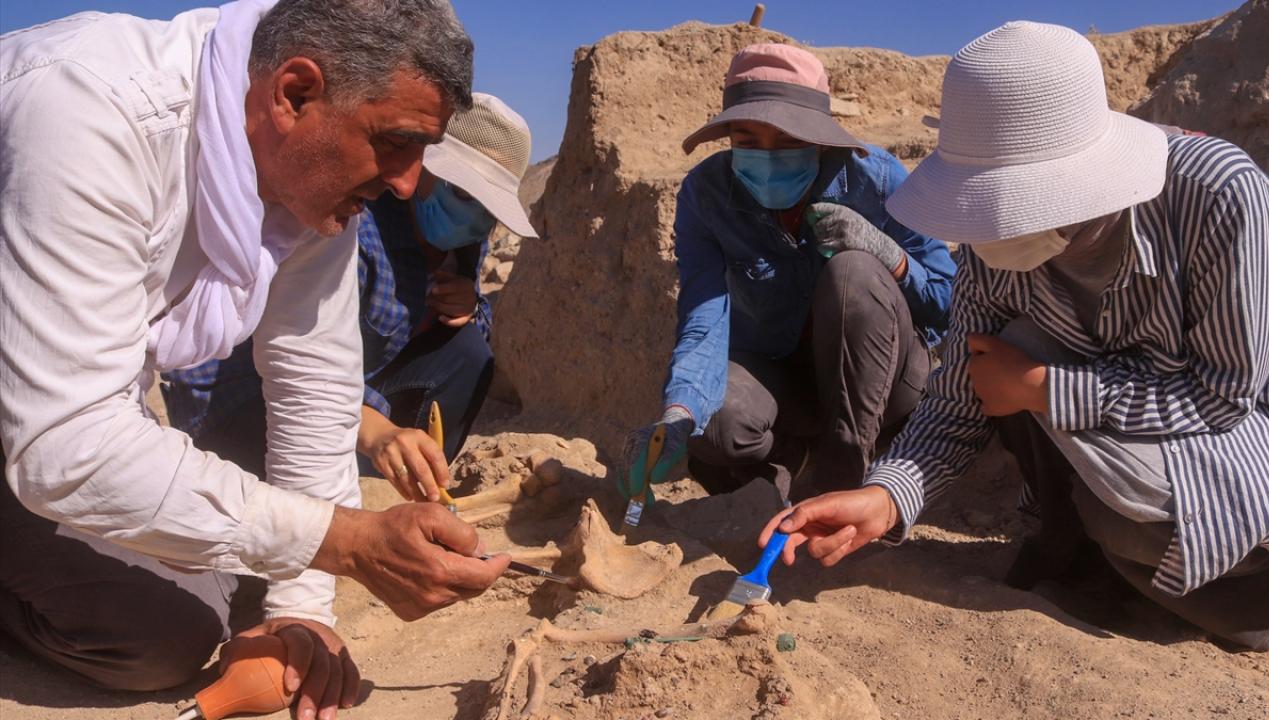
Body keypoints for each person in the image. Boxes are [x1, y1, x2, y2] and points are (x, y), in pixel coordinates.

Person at [0, 0, 511, 715]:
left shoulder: (309, 183)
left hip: (47, 415)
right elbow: (64, 443)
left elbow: (316, 388)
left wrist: (304, 611)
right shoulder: (92, 110)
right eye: (397, 141)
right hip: (38, 420)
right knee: (167, 618)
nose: (405, 183)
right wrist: (345, 541)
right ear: (294, 94)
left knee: (199, 603)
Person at [762, 22, 1269, 651]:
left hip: (1243, 433)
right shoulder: (992, 244)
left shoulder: (1217, 196)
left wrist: (1047, 389)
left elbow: (1224, 396)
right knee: (1006, 357)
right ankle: (1081, 555)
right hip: (1125, 428)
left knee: (1126, 514)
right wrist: (886, 496)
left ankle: (1253, 603)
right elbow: (957, 399)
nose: (996, 224)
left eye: (1019, 201)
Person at [619, 44, 954, 505]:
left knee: (853, 272)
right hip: (783, 379)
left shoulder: (875, 180)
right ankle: (789, 461)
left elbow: (947, 301)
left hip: (883, 386)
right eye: (749, 142)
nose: (769, 156)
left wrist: (889, 256)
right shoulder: (707, 193)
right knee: (712, 424)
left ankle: (843, 474)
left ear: (818, 138)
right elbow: (704, 316)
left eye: (789, 139)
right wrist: (679, 412)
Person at [164, 93, 537, 503]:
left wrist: (469, 308)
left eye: (487, 208)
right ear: (421, 165)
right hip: (248, 389)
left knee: (468, 352)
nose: (474, 219)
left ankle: (412, 483)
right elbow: (290, 357)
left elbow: (460, 335)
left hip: (356, 381)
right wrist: (376, 430)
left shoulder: (464, 241)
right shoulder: (355, 222)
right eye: (464, 194)